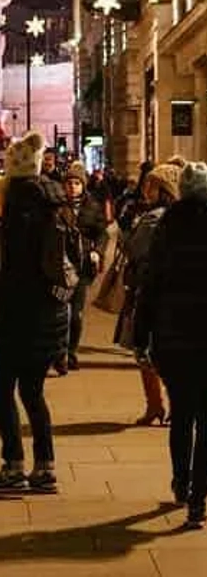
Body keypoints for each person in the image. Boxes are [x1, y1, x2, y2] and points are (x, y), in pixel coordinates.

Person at [0, 132, 70, 496]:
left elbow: (12, 271)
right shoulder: (54, 202)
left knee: (0, 388)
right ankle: (45, 468)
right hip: (50, 312)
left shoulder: (18, 207)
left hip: (21, 317)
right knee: (32, 392)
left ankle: (13, 465)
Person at [133, 161, 207, 526]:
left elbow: (151, 284)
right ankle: (198, 497)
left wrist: (141, 333)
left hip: (174, 338)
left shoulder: (169, 226)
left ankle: (181, 481)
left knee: (182, 415)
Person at [117, 162, 181, 425]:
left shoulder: (154, 218)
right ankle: (168, 405)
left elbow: (133, 248)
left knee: (145, 349)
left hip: (149, 290)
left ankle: (156, 405)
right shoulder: (181, 215)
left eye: (151, 184)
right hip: (171, 292)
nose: (145, 188)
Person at [61, 161, 108, 371]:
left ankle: (71, 351)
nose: (72, 187)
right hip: (61, 267)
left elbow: (102, 234)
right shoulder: (58, 207)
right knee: (61, 312)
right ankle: (59, 352)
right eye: (69, 183)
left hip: (81, 268)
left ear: (83, 185)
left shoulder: (92, 206)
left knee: (76, 314)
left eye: (77, 183)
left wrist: (97, 251)